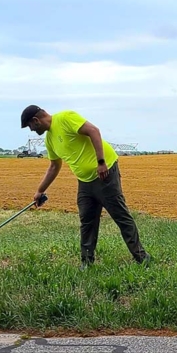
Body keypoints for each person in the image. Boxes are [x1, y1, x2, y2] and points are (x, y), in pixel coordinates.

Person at [20, 105, 151, 268]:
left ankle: (142, 257)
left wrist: (101, 162)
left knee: (120, 215)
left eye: (30, 126)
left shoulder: (66, 118)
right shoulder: (49, 139)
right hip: (84, 182)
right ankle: (87, 262)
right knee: (87, 220)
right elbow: (54, 166)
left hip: (105, 174)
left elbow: (93, 131)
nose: (31, 130)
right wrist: (40, 190)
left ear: (35, 120)